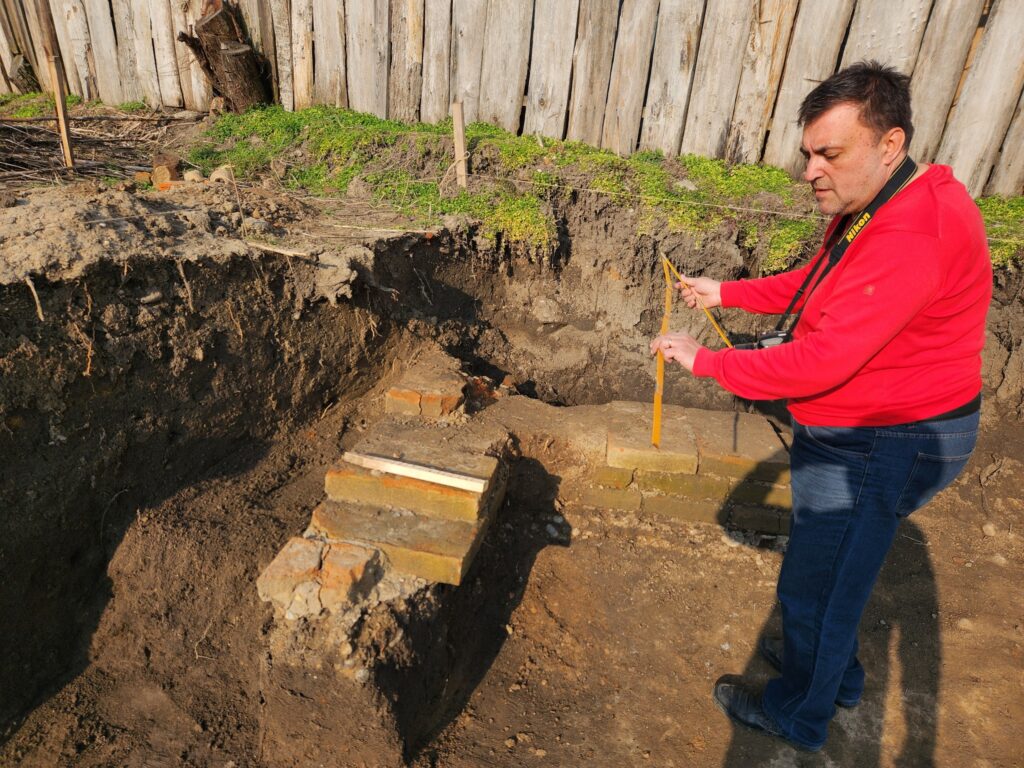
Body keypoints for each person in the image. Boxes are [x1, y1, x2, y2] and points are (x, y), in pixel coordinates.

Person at [650, 61, 991, 752]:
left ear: (889, 142)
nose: (810, 170)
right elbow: (823, 281)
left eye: (828, 153)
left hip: (883, 438)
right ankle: (832, 677)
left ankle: (799, 711)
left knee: (818, 584)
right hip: (877, 426)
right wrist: (729, 294)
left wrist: (710, 361)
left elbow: (821, 360)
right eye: (808, 152)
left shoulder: (909, 234)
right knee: (827, 570)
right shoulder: (886, 202)